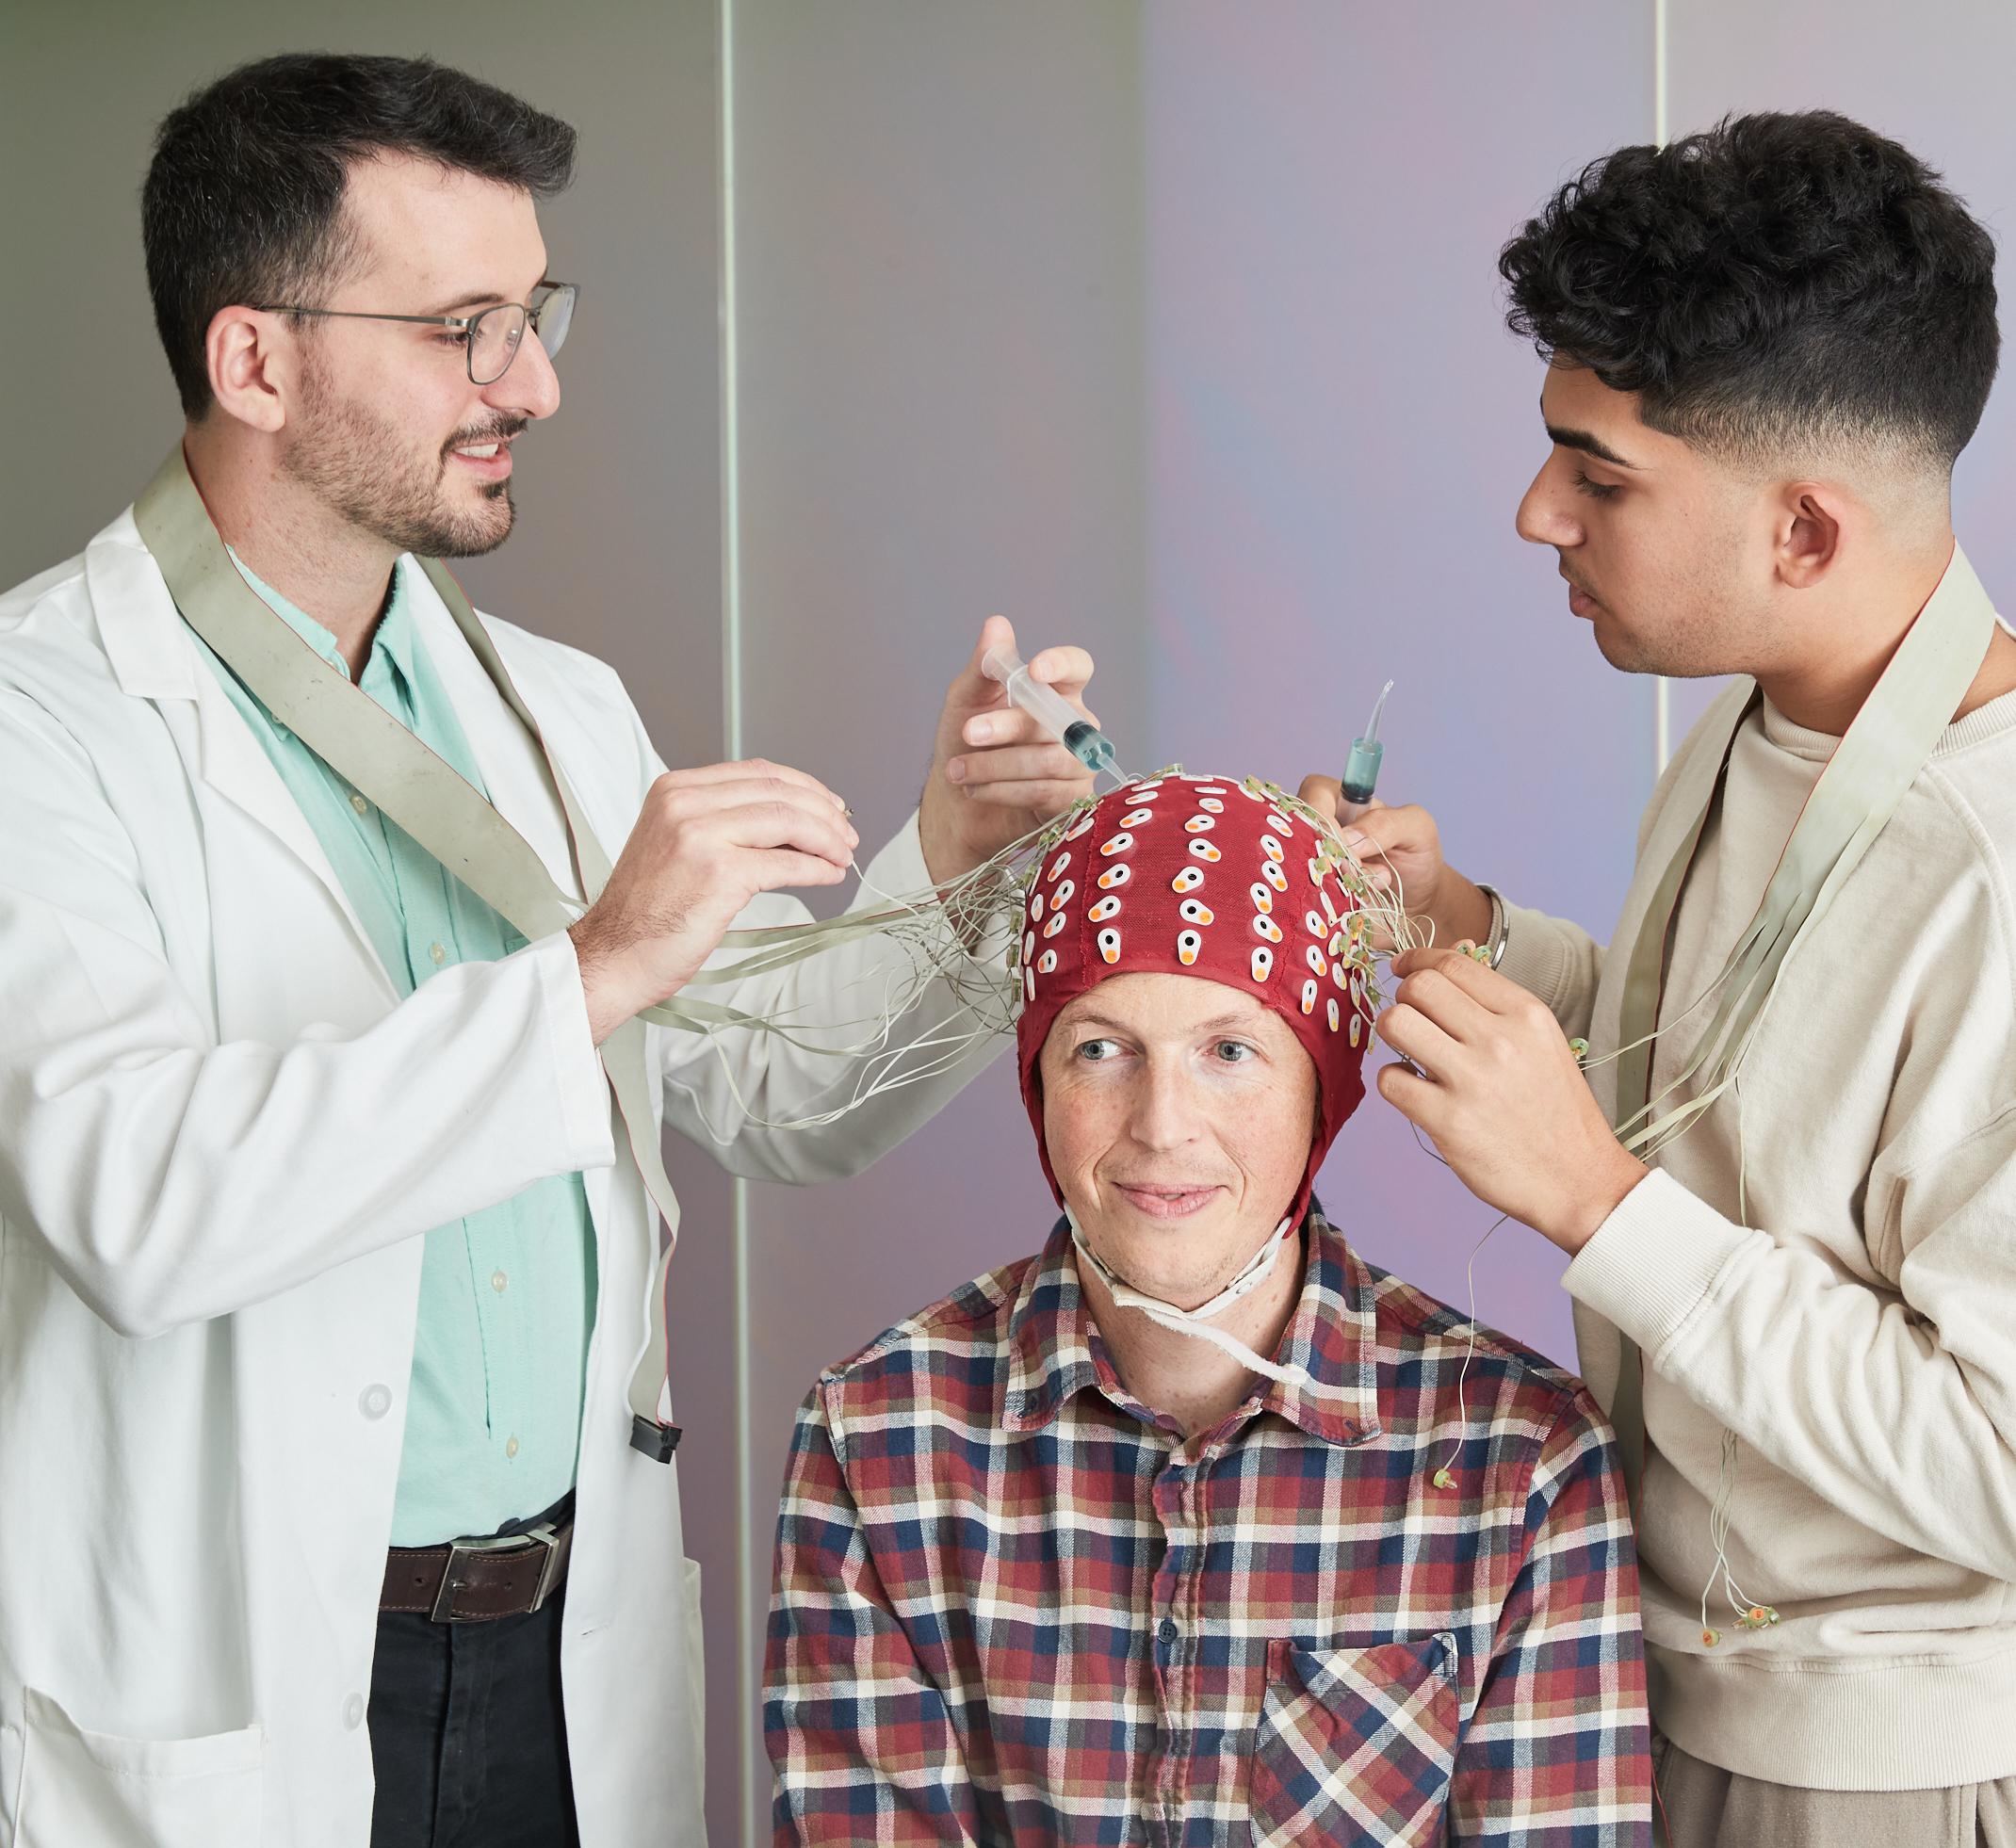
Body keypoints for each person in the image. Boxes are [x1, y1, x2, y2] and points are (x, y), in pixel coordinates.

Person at [0, 53, 1097, 1848]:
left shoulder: (555, 712)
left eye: (535, 312)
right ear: (256, 359)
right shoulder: (41, 720)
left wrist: (958, 871)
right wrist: (592, 967)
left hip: (554, 1666)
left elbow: (779, 1091)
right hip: (255, 1678)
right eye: (465, 328)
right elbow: (137, 1203)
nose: (538, 384)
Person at [1308, 112, 2016, 1844]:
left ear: (1803, 530)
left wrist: (1589, 1197)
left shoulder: (1995, 863)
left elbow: (1997, 1463)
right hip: (1660, 1678)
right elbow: (1755, 1083)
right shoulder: (1768, 712)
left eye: (1600, 473)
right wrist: (1478, 933)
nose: (1535, 509)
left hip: (1875, 1767)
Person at [765, 774, 1650, 1844]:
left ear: (1322, 1087)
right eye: (1101, 1048)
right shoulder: (877, 1436)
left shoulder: (1519, 1459)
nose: (1162, 1126)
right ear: (1036, 1080)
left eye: (1229, 1052)